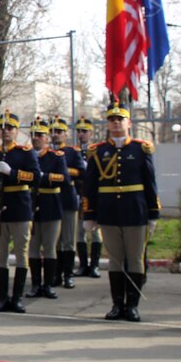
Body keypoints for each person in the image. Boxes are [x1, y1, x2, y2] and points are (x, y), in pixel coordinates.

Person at [83, 101, 159, 322]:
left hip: (135, 211)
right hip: (109, 212)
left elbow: (150, 182)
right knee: (115, 260)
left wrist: (153, 213)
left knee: (134, 259)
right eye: (112, 119)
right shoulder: (98, 151)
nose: (116, 123)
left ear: (129, 122)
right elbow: (90, 185)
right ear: (107, 124)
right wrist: (89, 214)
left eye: (120, 119)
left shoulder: (140, 148)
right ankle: (117, 304)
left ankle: (132, 305)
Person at [0, 111, 40, 313]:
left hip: (20, 207)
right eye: (2, 128)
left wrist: (13, 173)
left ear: (16, 131)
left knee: (22, 253)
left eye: (10, 128)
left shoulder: (25, 152)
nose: (6, 131)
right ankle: (2, 297)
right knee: (2, 254)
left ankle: (17, 297)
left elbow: (35, 177)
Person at [26, 117, 68, 300]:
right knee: (33, 248)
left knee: (50, 247)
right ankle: (35, 284)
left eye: (40, 135)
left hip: (51, 204)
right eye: (34, 135)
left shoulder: (55, 157)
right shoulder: (26, 155)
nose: (36, 138)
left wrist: (43, 177)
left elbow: (64, 178)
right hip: (31, 204)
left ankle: (49, 284)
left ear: (47, 138)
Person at [51, 117, 84, 289]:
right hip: (52, 199)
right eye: (53, 132)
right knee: (55, 240)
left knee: (69, 240)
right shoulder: (47, 152)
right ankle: (56, 274)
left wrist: (62, 171)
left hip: (68, 198)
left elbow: (81, 171)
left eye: (59, 132)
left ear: (65, 134)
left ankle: (68, 274)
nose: (55, 135)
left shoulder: (72, 152)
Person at [74, 116, 103, 278]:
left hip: (93, 197)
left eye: (84, 131)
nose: (81, 134)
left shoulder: (97, 151)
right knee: (80, 232)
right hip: (79, 195)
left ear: (91, 133)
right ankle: (83, 265)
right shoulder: (74, 151)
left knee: (96, 233)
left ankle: (95, 265)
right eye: (79, 131)